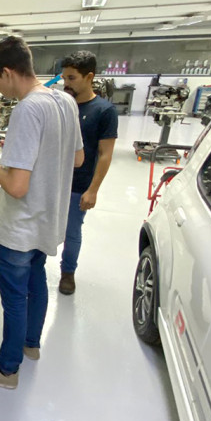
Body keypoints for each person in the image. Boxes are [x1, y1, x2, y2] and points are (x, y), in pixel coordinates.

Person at [0, 36, 84, 389]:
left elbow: (16, 187)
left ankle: (6, 369)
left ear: (7, 72)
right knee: (36, 281)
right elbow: (78, 158)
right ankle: (31, 345)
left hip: (20, 228)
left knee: (15, 298)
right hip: (48, 220)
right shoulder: (65, 101)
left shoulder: (28, 109)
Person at [58, 51, 118, 295]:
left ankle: (68, 272)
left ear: (89, 77)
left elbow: (105, 154)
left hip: (79, 185)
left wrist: (93, 190)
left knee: (72, 232)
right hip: (53, 181)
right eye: (64, 78)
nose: (66, 83)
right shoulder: (61, 105)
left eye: (71, 78)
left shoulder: (104, 111)